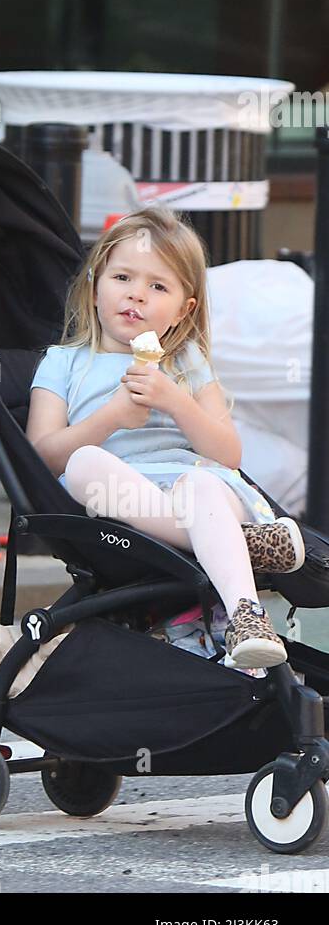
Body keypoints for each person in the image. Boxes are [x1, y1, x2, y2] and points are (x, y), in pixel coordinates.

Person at [24, 205, 305, 671]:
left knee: (201, 487)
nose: (136, 295)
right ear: (95, 284)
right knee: (83, 463)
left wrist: (178, 402)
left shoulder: (186, 362)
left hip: (200, 490)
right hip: (118, 498)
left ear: (183, 309)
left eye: (158, 286)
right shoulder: (64, 362)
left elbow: (228, 453)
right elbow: (44, 456)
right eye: (123, 279)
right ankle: (236, 543)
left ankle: (246, 616)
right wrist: (111, 417)